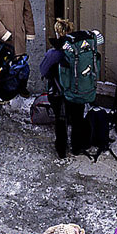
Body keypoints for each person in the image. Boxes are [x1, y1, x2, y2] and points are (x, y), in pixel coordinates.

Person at [40, 18, 86, 158]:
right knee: (77, 119)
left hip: (59, 93)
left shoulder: (54, 53)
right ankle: (77, 147)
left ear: (58, 33)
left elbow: (43, 70)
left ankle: (61, 150)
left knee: (61, 121)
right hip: (79, 91)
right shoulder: (82, 49)